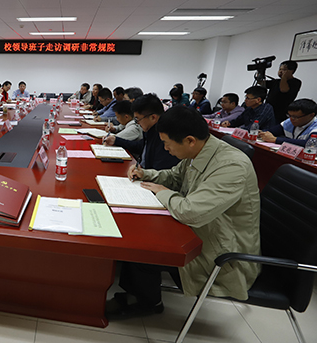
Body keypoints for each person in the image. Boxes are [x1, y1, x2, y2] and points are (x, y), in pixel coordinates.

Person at [107, 106, 260, 319]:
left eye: (167, 143)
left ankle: (147, 302)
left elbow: (190, 212)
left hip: (223, 256)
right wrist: (146, 174)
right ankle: (137, 293)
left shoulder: (232, 166)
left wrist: (161, 192)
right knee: (139, 233)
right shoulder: (202, 150)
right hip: (205, 233)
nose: (165, 148)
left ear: (189, 140)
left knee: (143, 247)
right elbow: (175, 177)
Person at [105, 94, 179, 170]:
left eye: (138, 119)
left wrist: (143, 173)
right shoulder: (150, 130)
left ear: (153, 117)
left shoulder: (165, 137)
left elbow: (160, 170)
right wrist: (116, 141)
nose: (137, 123)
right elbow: (140, 146)